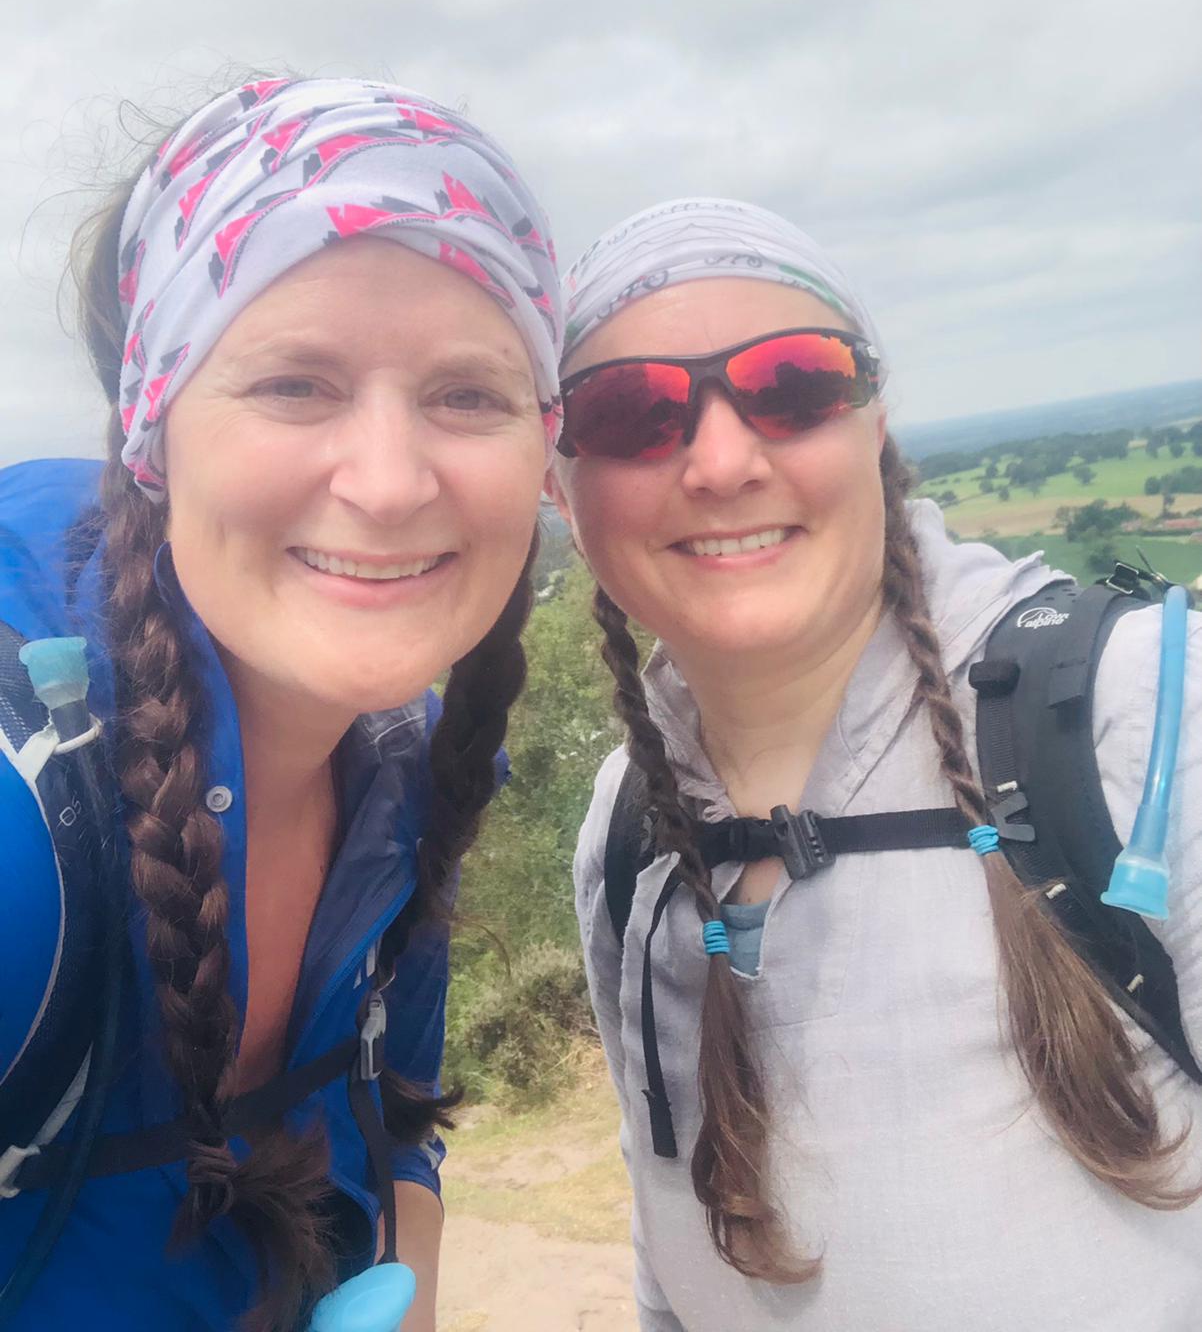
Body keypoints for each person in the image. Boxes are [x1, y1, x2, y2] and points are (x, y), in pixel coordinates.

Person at [552, 198, 1202, 1331]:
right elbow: (671, 1245)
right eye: (630, 412)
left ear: (874, 425)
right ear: (558, 487)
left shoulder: (1136, 725)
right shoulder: (627, 829)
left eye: (792, 384)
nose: (720, 459)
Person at [0, 77, 563, 1332]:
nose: (386, 480)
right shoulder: (29, 836)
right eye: (295, 384)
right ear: (154, 429)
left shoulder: (405, 782)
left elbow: (397, 1115)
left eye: (467, 394)